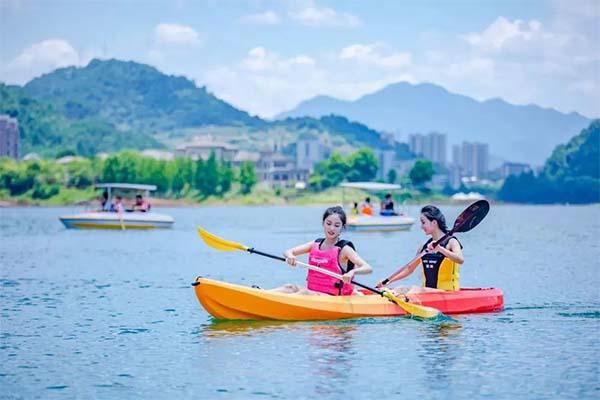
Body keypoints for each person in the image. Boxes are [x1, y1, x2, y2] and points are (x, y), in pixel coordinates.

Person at [270, 206, 373, 295]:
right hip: (312, 293)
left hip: (332, 297)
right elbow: (288, 251)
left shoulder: (344, 249)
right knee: (290, 287)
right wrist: (290, 256)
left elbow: (368, 268)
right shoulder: (315, 244)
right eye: (328, 223)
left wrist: (352, 272)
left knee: (305, 293)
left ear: (342, 227)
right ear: (323, 223)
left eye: (337, 225)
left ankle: (280, 302)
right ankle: (262, 294)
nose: (332, 228)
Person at [376, 205, 464, 294]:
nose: (421, 226)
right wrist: (388, 281)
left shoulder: (451, 242)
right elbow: (409, 269)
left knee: (415, 289)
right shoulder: (424, 247)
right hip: (427, 293)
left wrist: (441, 249)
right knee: (399, 289)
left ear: (434, 222)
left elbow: (460, 260)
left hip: (448, 293)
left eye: (423, 222)